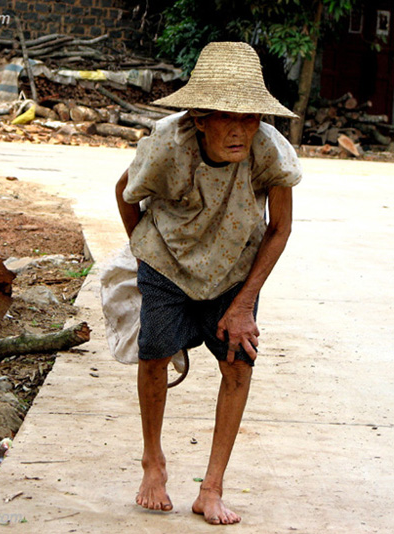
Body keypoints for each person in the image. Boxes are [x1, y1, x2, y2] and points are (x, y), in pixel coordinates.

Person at [115, 41, 302, 525]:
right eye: (226, 116)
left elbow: (280, 228)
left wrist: (243, 306)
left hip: (235, 270)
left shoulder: (270, 152)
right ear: (199, 117)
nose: (240, 129)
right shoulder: (165, 145)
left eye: (250, 116)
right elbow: (124, 191)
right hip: (167, 260)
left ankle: (211, 488)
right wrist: (143, 251)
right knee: (154, 355)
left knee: (240, 365)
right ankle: (152, 462)